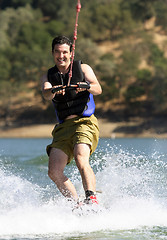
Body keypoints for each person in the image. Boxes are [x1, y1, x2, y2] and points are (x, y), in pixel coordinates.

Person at [41, 36, 102, 206]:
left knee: (80, 157)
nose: (61, 56)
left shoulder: (83, 68)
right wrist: (53, 90)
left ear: (71, 53)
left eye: (65, 52)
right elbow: (46, 94)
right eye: (57, 52)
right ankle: (76, 204)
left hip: (85, 123)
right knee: (54, 171)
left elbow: (98, 89)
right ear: (53, 53)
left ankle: (92, 198)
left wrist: (86, 86)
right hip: (63, 128)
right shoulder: (48, 75)